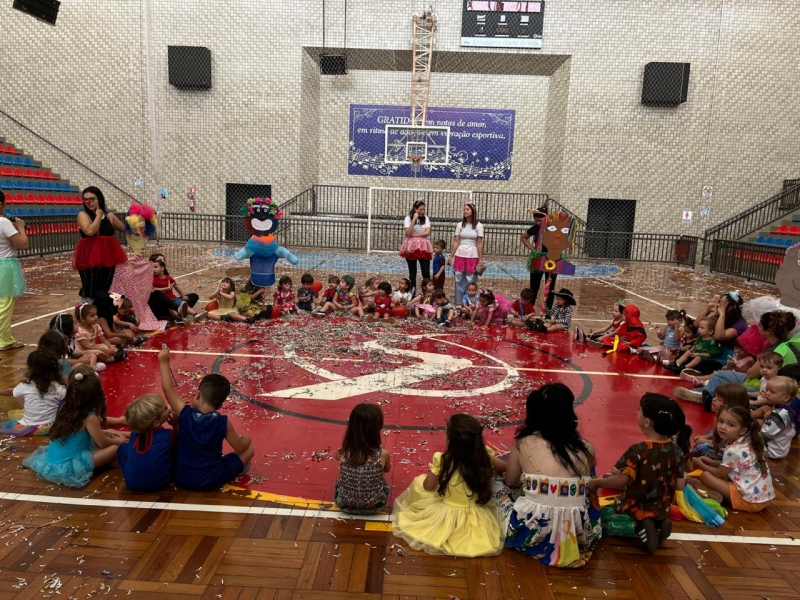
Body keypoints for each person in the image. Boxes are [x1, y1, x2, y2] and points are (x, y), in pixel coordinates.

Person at [493, 383, 601, 568]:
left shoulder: (523, 442)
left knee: (495, 484)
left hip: (532, 530)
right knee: (587, 478)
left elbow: (510, 481)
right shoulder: (587, 447)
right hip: (575, 531)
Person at [392, 413, 507, 557]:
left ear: (452, 440)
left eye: (445, 432)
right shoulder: (485, 456)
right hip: (477, 514)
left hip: (446, 513)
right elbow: (504, 468)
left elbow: (428, 486)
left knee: (419, 482)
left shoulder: (443, 460)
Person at [588, 394, 690, 554]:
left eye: (639, 410)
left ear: (648, 422)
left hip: (636, 506)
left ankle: (640, 526)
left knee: (602, 518)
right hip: (662, 508)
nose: (636, 413)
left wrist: (596, 483)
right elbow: (680, 485)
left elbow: (620, 481)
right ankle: (658, 524)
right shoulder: (676, 450)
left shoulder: (638, 450)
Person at [158, 347, 253, 490]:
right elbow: (240, 447)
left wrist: (164, 362)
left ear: (197, 395)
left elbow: (168, 389)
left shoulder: (184, 413)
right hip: (212, 480)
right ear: (220, 405)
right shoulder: (223, 422)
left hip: (183, 478)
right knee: (249, 450)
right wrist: (247, 439)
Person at [23, 365, 125, 487]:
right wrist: (120, 441)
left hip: (53, 462)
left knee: (106, 437)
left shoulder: (65, 406)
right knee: (115, 448)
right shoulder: (89, 416)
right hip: (71, 465)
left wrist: (109, 431)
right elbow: (102, 443)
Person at [675, 311, 798, 407]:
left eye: (760, 326)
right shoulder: (778, 343)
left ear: (769, 331)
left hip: (764, 387)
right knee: (722, 374)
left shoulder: (776, 349)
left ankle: (704, 395)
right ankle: (702, 393)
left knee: (730, 387)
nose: (757, 328)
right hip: (762, 382)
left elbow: (751, 373)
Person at [693, 405, 774, 513]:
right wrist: (712, 462)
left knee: (705, 476)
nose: (722, 427)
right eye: (720, 421)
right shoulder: (747, 440)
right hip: (763, 498)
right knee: (723, 475)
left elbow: (719, 474)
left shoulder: (734, 450)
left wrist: (700, 465)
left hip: (750, 501)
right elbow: (732, 465)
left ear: (742, 431)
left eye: (730, 425)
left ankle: (722, 496)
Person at [334, 403, 391, 514]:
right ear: (378, 427)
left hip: (345, 505)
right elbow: (387, 469)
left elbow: (336, 456)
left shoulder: (343, 451)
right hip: (375, 507)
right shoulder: (383, 454)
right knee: (382, 479)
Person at [74, 186, 127, 301]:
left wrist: (138, 224)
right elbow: (89, 231)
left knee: (105, 286)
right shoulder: (83, 215)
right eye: (86, 199)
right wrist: (98, 215)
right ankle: (88, 308)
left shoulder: (109, 216)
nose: (89, 202)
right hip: (89, 256)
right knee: (91, 287)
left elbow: (125, 229)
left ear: (100, 199)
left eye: (92, 199)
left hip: (107, 255)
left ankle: (101, 308)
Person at [117, 394, 175, 492]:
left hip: (132, 484)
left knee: (122, 448)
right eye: (165, 409)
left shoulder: (135, 433)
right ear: (156, 423)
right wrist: (176, 425)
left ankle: (134, 469)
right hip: (160, 483)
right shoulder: (168, 435)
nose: (168, 409)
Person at [0, 350, 65, 436]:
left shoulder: (26, 385)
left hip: (27, 425)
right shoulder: (59, 388)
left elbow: (10, 391)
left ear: (30, 369)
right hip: (50, 426)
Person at [689, 292, 747, 375]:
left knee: (703, 364)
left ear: (733, 307)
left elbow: (718, 336)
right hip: (715, 351)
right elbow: (696, 324)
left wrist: (722, 314)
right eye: (720, 302)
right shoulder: (721, 317)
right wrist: (708, 310)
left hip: (729, 357)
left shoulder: (740, 324)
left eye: (723, 303)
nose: (719, 305)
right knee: (688, 355)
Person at [691, 383, 750, 460]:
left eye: (719, 400)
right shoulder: (727, 415)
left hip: (731, 452)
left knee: (702, 447)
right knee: (710, 432)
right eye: (715, 396)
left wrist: (706, 441)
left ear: (730, 404)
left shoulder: (735, 420)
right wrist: (707, 437)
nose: (713, 399)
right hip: (725, 443)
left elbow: (726, 444)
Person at [0, 191, 28, 351]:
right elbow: (23, 244)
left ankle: (6, 338)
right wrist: (21, 227)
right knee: (4, 304)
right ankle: (2, 341)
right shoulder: (3, 222)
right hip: (5, 266)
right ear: (2, 204)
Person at [447, 202, 484, 305]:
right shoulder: (460, 225)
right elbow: (456, 241)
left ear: (473, 211)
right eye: (464, 209)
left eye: (467, 209)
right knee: (458, 278)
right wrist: (451, 256)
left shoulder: (479, 226)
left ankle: (470, 303)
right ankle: (459, 303)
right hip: (460, 253)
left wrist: (480, 258)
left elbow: (479, 243)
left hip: (473, 254)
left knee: (470, 279)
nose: (465, 211)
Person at [521, 207, 556, 311]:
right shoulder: (535, 228)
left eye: (540, 220)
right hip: (538, 257)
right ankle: (530, 309)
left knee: (550, 286)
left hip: (551, 258)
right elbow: (523, 237)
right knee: (534, 285)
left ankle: (548, 310)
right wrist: (532, 249)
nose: (538, 222)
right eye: (536, 221)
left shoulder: (553, 228)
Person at [756, 376, 798, 459]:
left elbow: (765, 435)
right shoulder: (788, 410)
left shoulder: (779, 415)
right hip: (781, 449)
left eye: (772, 392)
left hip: (771, 450)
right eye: (767, 390)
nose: (767, 393)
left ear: (785, 398)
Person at [400, 200, 432, 293]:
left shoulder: (426, 218)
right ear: (415, 209)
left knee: (425, 272)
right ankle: (412, 293)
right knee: (412, 272)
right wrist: (414, 219)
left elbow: (427, 232)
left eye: (424, 210)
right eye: (420, 209)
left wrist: (414, 235)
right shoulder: (408, 218)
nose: (422, 211)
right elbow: (408, 233)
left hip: (423, 247)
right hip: (411, 247)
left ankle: (427, 293)